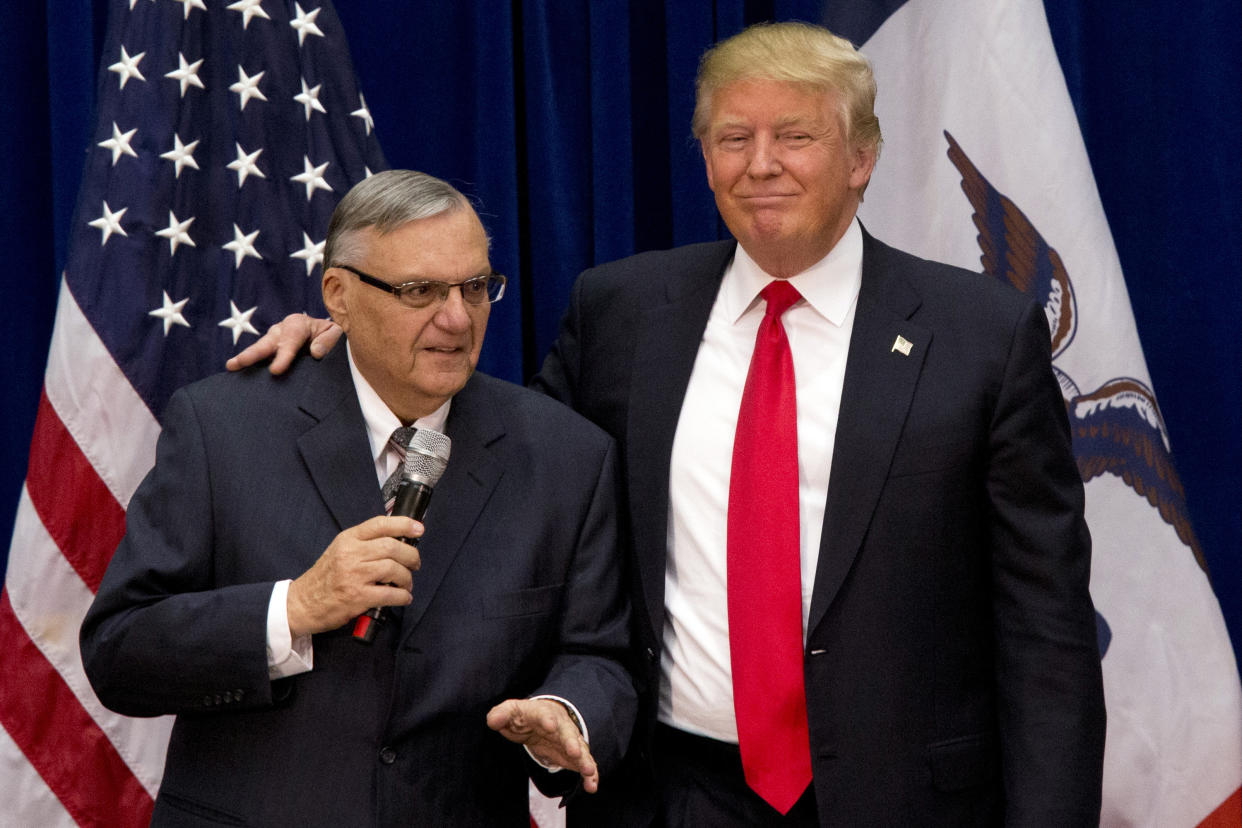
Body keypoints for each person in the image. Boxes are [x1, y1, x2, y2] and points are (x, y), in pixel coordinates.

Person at [230, 22, 1106, 827]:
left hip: (907, 800)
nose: (760, 164)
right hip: (663, 796)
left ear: (862, 156)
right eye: (734, 138)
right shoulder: (623, 312)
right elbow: (503, 465)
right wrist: (355, 347)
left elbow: (1047, 634)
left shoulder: (981, 337)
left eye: (794, 136)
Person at [80, 170, 636, 827]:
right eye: (419, 290)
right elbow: (120, 651)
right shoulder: (222, 429)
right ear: (339, 296)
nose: (457, 318)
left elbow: (602, 658)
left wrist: (565, 712)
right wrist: (293, 607)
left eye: (476, 287)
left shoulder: (565, 457)